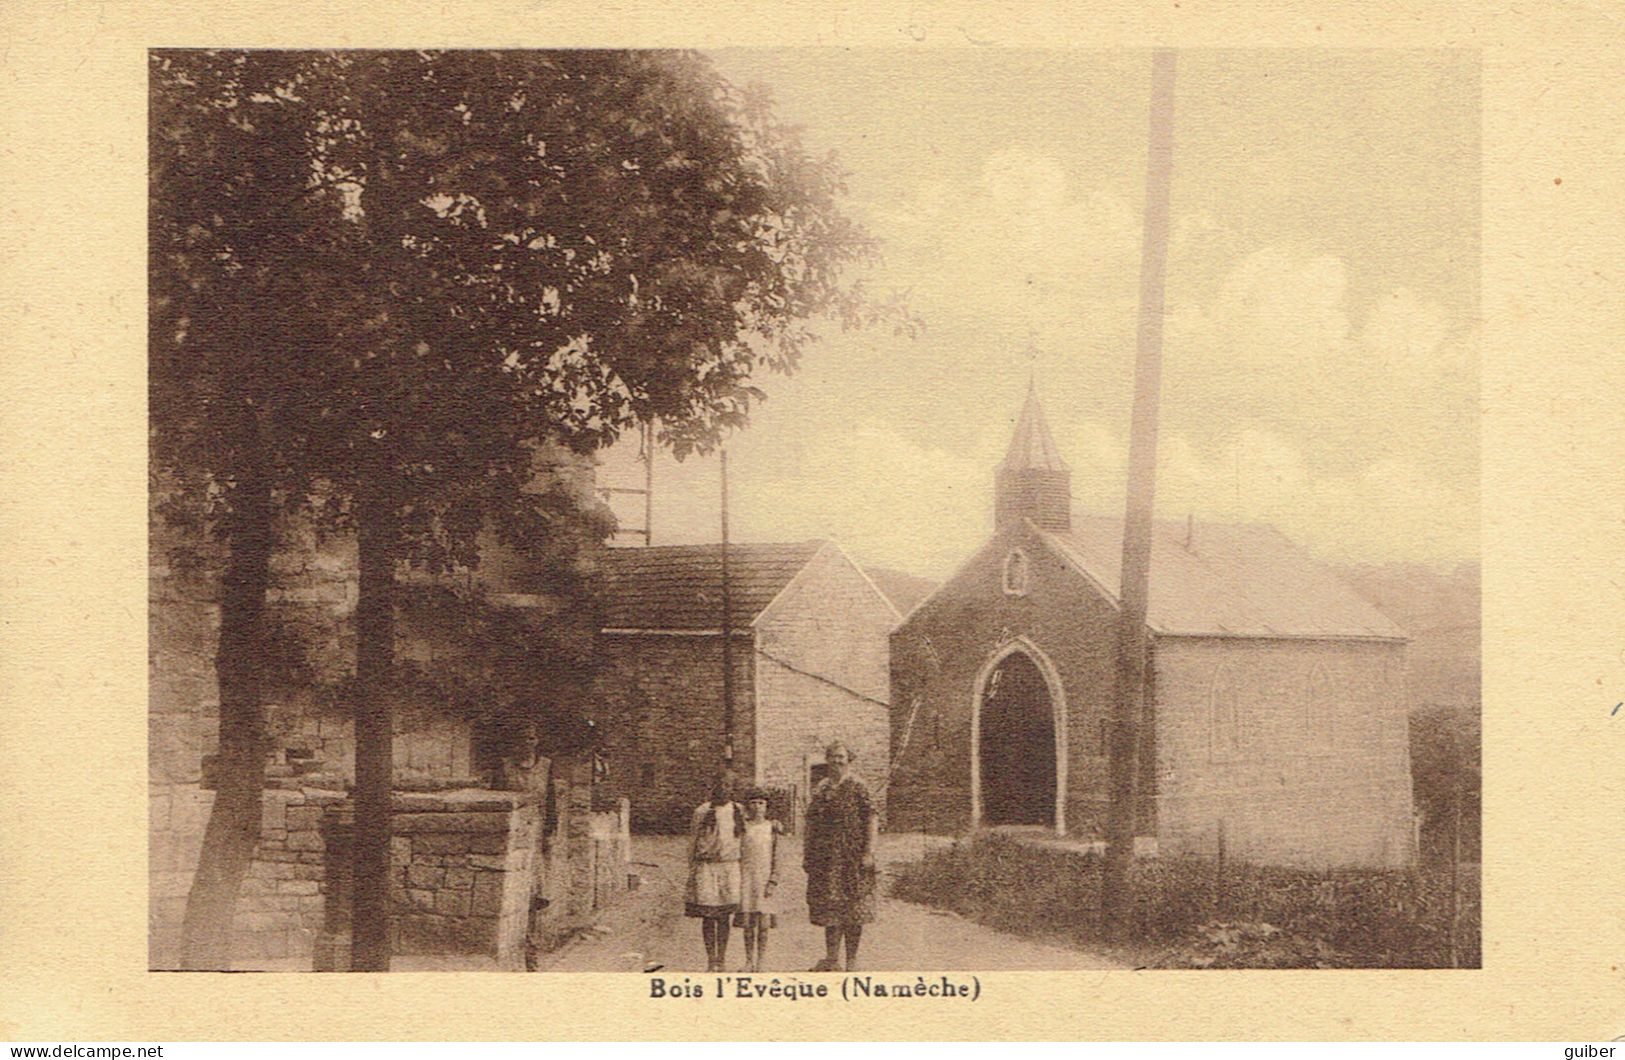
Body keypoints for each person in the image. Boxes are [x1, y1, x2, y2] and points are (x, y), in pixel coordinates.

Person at [802, 741, 878, 971]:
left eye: (841, 757)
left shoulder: (858, 786)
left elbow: (872, 819)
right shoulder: (822, 788)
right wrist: (808, 854)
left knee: (854, 908)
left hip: (852, 856)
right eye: (833, 756)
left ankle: (852, 960)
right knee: (830, 908)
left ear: (849, 759)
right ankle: (832, 958)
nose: (837, 761)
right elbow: (811, 823)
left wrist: (869, 852)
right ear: (827, 760)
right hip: (826, 858)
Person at [685, 773, 744, 972]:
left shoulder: (738, 811)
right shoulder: (702, 811)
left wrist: (775, 825)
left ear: (733, 788)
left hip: (730, 867)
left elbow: (753, 828)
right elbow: (693, 841)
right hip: (707, 866)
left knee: (724, 916)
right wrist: (692, 868)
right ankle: (711, 960)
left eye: (728, 785)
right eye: (720, 785)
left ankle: (722, 958)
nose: (724, 789)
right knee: (709, 915)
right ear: (713, 787)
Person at [734, 786, 782, 973]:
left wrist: (773, 881)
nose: (757, 807)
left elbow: (777, 857)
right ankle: (748, 961)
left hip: (764, 881)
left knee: (763, 925)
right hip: (746, 879)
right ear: (747, 806)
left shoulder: (772, 828)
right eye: (753, 803)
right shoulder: (742, 828)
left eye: (761, 803)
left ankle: (761, 962)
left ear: (767, 806)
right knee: (748, 924)